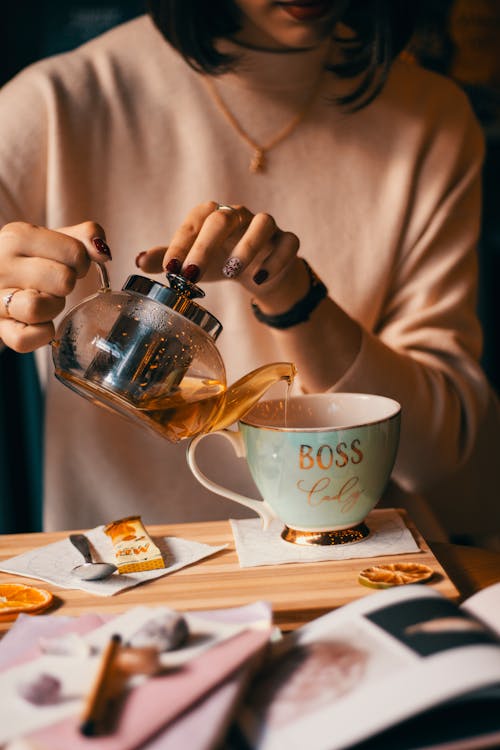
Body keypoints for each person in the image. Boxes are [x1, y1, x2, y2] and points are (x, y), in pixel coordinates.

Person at [0, 0, 498, 539]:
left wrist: (293, 296)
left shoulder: (430, 120)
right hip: (119, 572)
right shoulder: (58, 102)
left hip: (351, 571)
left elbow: (437, 454)